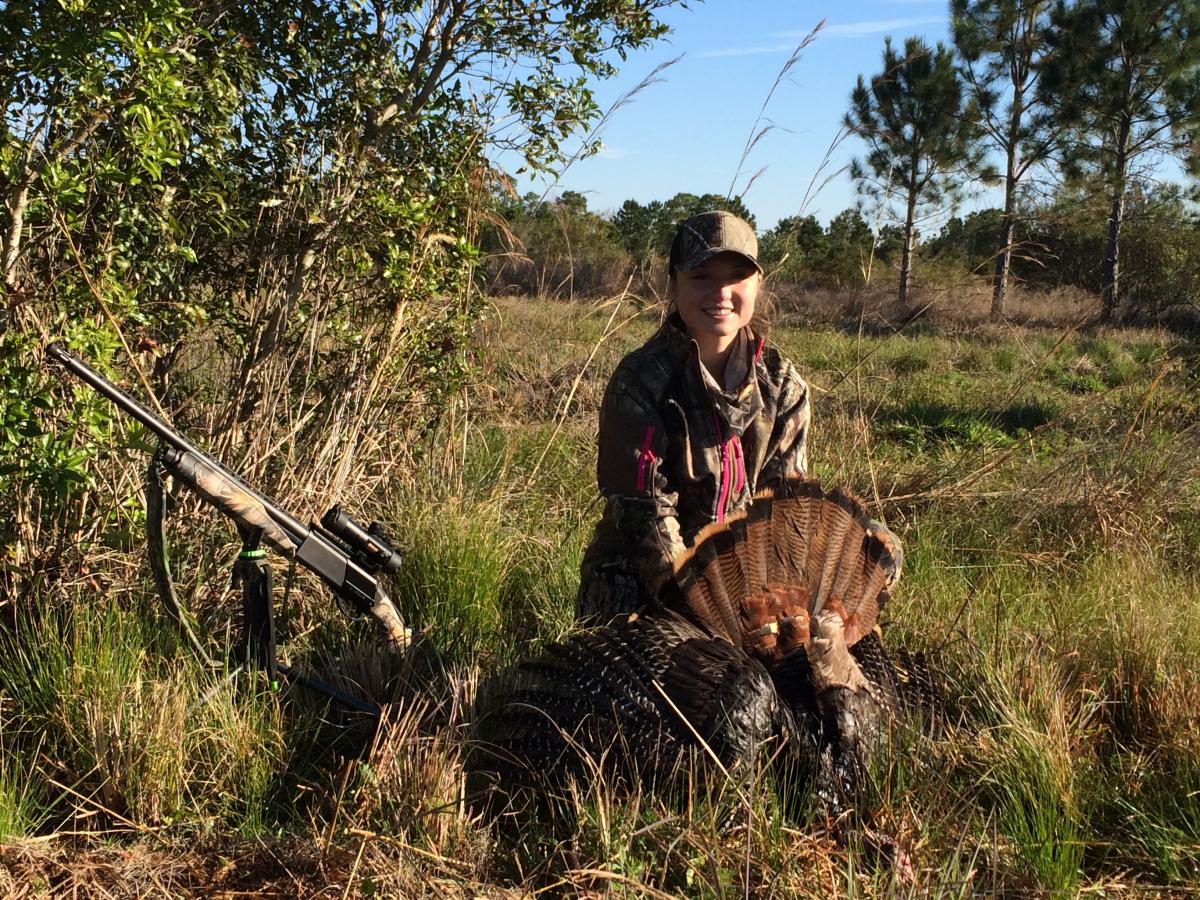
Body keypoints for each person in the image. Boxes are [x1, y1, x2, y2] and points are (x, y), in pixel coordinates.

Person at [576, 210, 901, 625]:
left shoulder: (782, 384)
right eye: (701, 277)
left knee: (881, 546)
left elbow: (784, 508)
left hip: (742, 588)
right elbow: (646, 517)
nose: (721, 292)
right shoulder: (639, 381)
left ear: (757, 285)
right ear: (673, 284)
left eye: (737, 277)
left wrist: (772, 604)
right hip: (649, 588)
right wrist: (707, 609)